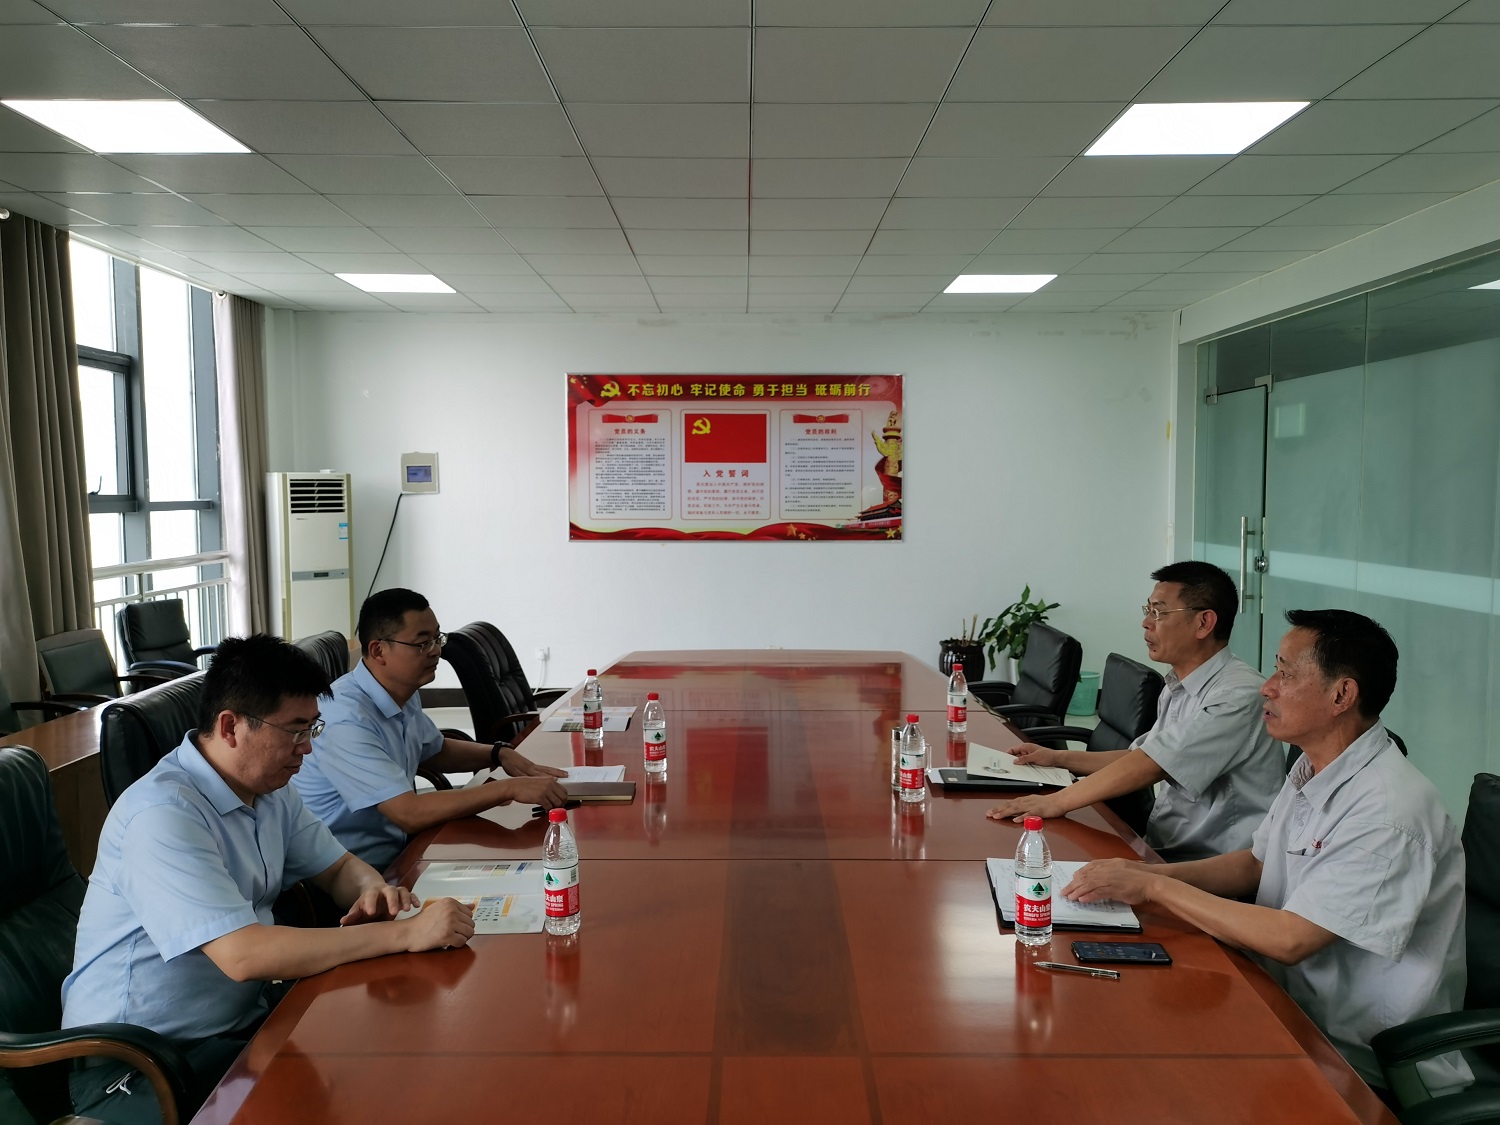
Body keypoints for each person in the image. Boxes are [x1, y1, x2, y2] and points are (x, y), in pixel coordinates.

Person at [61, 635, 476, 1124]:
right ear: (231, 726)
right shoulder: (162, 814)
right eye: (295, 731)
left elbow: (338, 867)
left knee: (394, 1067)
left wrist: (373, 892)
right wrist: (403, 934)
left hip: (242, 1025)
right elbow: (244, 955)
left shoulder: (269, 788)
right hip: (141, 1062)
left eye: (312, 727)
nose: (308, 747)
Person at [1063, 610, 1469, 1097]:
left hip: (1362, 1065)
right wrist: (1143, 873)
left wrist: (1155, 886)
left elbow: (1292, 939)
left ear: (1342, 695)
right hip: (1285, 1007)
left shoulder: (1388, 811)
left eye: (1286, 674)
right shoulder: (1313, 767)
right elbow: (1256, 864)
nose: (1268, 687)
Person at [987, 561, 1283, 859]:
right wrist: (1056, 758)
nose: (1146, 623)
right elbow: (1140, 756)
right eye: (1148, 610)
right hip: (1163, 846)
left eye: (1159, 612)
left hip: (1210, 865)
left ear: (1204, 623)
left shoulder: (1238, 695)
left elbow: (1151, 765)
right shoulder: (1178, 684)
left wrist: (1056, 802)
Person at [294, 588, 567, 870]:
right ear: (378, 650)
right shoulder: (344, 718)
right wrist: (507, 789)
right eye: (422, 643)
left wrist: (498, 754)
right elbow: (408, 813)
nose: (436, 650)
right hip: (352, 873)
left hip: (400, 851)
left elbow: (435, 750)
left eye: (437, 638)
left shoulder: (402, 690)